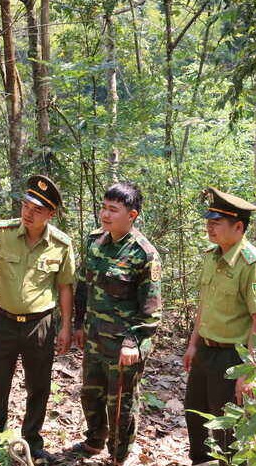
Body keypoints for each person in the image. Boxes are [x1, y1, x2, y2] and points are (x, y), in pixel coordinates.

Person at [0, 175, 75, 463]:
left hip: (40, 325)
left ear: (51, 214)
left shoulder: (60, 244)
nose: (29, 213)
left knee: (39, 386)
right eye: (26, 206)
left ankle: (32, 440)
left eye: (38, 210)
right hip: (5, 322)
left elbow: (65, 287)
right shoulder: (3, 231)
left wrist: (66, 326)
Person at [70, 182, 162, 466]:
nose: (105, 215)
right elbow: (83, 285)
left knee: (121, 403)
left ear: (132, 215)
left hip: (125, 344)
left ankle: (118, 455)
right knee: (91, 393)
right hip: (95, 336)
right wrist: (78, 324)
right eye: (103, 208)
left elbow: (151, 309)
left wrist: (132, 342)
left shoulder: (144, 254)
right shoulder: (94, 241)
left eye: (113, 210)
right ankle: (94, 440)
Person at [183, 187, 256, 465]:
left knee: (229, 434)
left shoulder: (253, 264)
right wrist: (192, 345)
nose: (210, 226)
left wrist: (249, 372)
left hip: (232, 358)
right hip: (205, 354)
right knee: (196, 418)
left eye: (217, 222)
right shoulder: (212, 257)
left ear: (238, 227)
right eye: (209, 220)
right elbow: (205, 306)